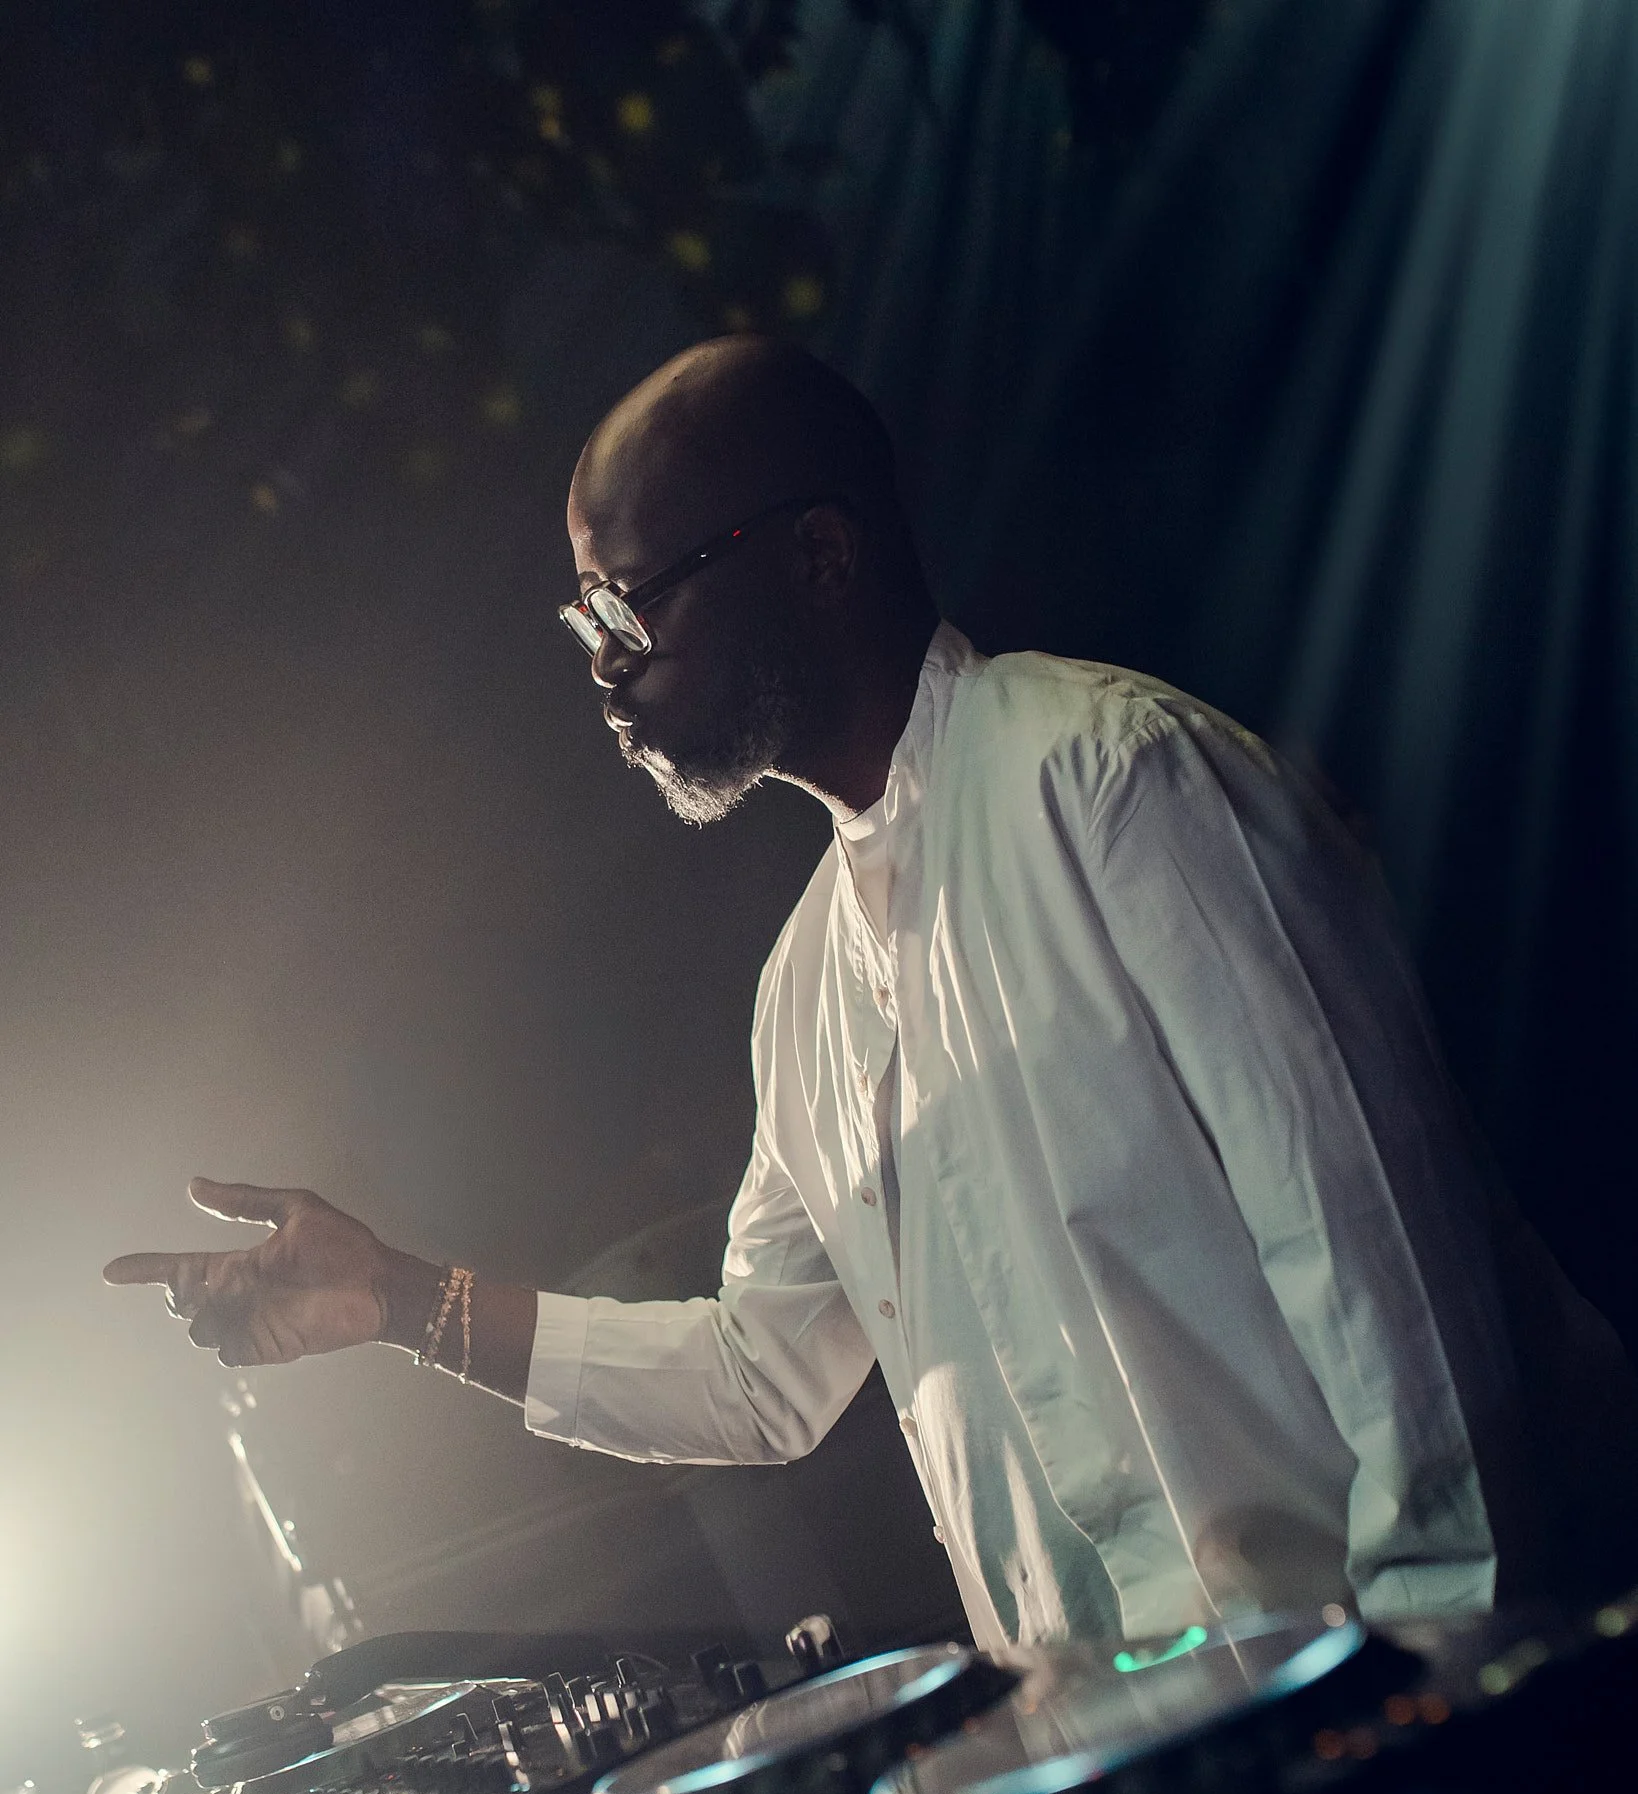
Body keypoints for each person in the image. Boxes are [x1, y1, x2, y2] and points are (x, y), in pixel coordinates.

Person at [106, 337, 1638, 1651]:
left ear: (820, 557)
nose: (606, 676)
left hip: (1393, 1722)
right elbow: (758, 1373)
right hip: (1133, 1789)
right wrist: (397, 1305)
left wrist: (1439, 1699)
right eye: (586, 628)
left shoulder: (1114, 781)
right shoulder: (805, 989)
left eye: (627, 607)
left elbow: (1382, 1264)